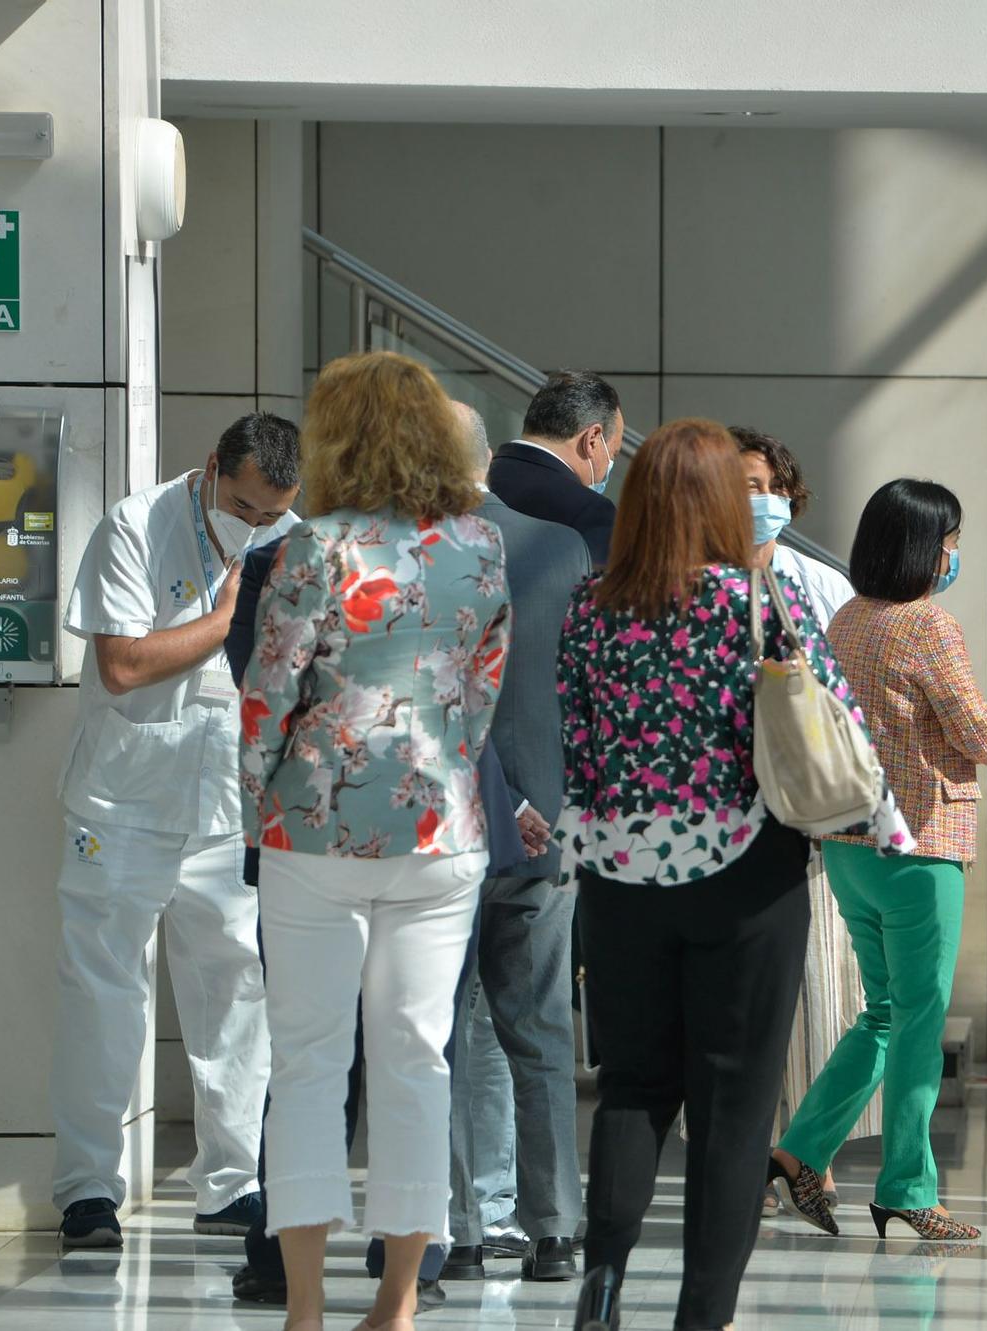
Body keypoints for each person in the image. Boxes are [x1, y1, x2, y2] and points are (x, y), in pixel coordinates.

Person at [557, 418, 907, 1331]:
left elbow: (579, 748)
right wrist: (886, 827)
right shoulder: (756, 601)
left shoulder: (590, 605)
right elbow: (831, 727)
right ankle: (699, 1316)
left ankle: (600, 1288)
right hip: (744, 878)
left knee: (633, 1085)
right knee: (733, 1106)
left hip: (618, 880)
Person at [241, 352, 511, 1331]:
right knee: (415, 1053)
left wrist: (253, 804)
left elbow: (270, 692)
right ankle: (396, 1300)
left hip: (313, 824)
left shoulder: (312, 545)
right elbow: (480, 689)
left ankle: (305, 1306)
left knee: (307, 1057)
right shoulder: (480, 543)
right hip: (439, 825)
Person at [51, 412, 301, 1248]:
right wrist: (226, 620)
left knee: (238, 993)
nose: (258, 525)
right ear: (211, 470)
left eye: (273, 514)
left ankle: (232, 1183)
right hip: (123, 800)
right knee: (103, 992)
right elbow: (122, 666)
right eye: (244, 506)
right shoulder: (135, 523)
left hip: (229, 805)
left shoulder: (292, 540)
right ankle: (89, 1188)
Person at [770, 478, 987, 1243]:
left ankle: (800, 1148)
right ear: (920, 546)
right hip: (922, 844)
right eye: (947, 542)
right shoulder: (928, 626)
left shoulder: (846, 616)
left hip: (850, 844)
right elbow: (974, 726)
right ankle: (909, 1187)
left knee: (882, 1012)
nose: (952, 556)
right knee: (918, 1019)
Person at [445, 402, 594, 1284]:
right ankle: (554, 1227)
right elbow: (575, 687)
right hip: (546, 829)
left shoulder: (417, 554)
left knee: (446, 1031)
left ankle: (461, 1222)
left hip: (444, 828)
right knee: (539, 1030)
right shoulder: (560, 544)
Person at [733, 425, 879, 1209]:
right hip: (728, 821)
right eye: (743, 484)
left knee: (819, 994)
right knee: (749, 1002)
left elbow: (847, 699)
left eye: (769, 486)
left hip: (808, 818)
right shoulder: (693, 579)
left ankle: (808, 1150)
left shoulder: (815, 581)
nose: (759, 501)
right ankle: (748, 1154)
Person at [487, 370, 623, 565]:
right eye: (613, 454)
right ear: (592, 439)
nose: (610, 464)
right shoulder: (592, 512)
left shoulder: (478, 480)